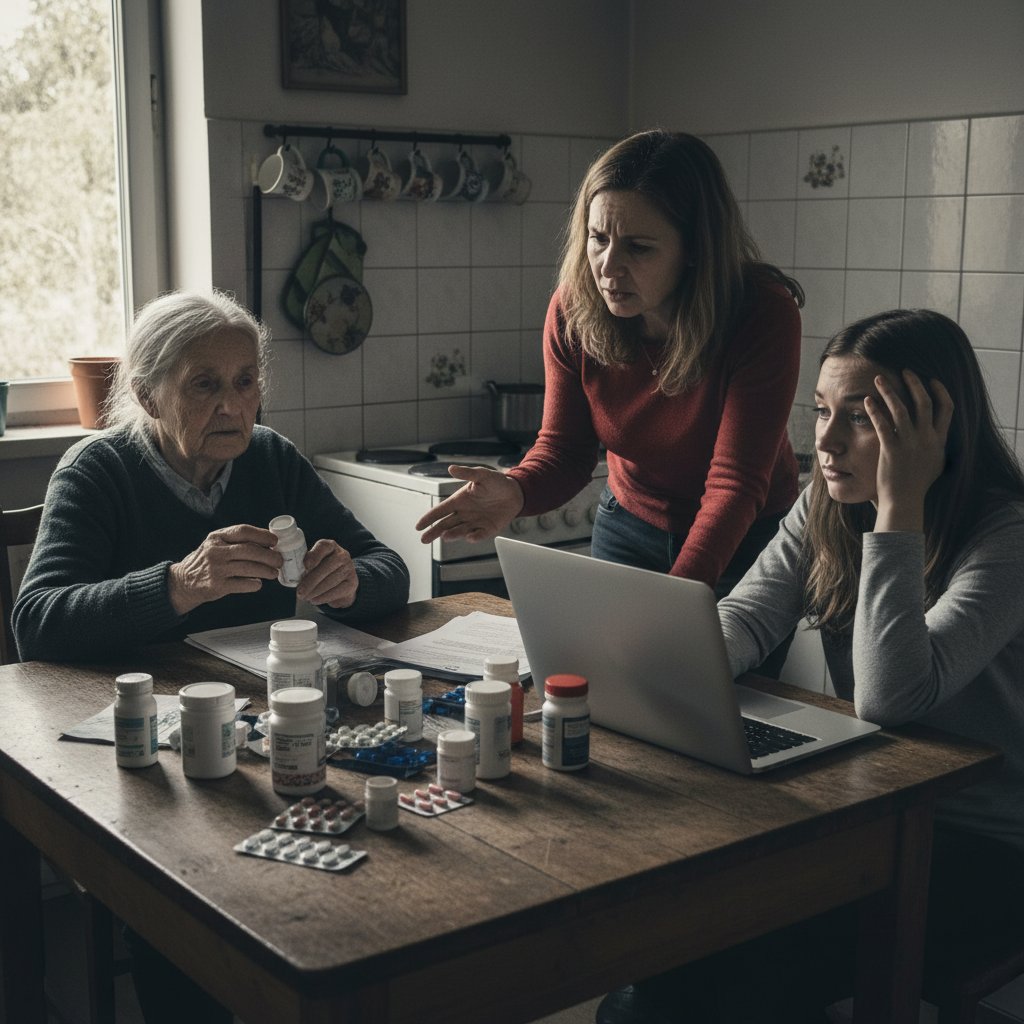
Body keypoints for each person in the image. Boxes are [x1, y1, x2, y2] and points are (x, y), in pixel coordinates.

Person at [599, 308, 1024, 1023]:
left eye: (860, 420)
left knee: (696, 994)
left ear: (930, 430)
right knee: (662, 971)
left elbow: (892, 697)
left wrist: (899, 505)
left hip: (984, 843)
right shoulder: (826, 507)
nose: (823, 442)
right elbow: (747, 615)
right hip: (874, 807)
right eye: (822, 411)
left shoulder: (1005, 534)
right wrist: (669, 657)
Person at [416, 130, 804, 641]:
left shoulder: (759, 313)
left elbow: (735, 486)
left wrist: (674, 603)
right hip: (630, 525)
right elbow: (564, 450)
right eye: (598, 238)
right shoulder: (575, 309)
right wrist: (518, 489)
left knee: (723, 703)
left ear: (694, 249)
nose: (607, 267)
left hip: (743, 540)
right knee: (615, 697)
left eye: (638, 247)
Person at [13, 289, 409, 663]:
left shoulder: (271, 457)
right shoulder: (97, 471)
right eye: (204, 384)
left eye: (245, 382)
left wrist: (352, 583)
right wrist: (180, 586)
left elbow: (389, 569)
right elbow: (36, 625)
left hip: (256, 700)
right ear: (148, 397)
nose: (232, 407)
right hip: (138, 707)